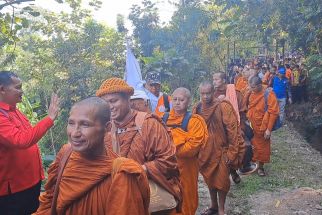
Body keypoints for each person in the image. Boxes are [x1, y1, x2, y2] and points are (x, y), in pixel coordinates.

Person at [35, 97, 150, 215]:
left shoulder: (122, 173)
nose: (74, 133)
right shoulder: (66, 154)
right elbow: (49, 201)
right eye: (71, 123)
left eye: (85, 125)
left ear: (107, 127)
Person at [96, 78, 182, 215]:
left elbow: (169, 161)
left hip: (148, 196)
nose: (110, 107)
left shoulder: (149, 124)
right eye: (106, 103)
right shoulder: (105, 129)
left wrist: (138, 169)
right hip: (117, 196)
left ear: (127, 99)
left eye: (114, 101)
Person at [0, 71, 60, 215]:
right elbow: (22, 140)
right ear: (2, 89)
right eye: (18, 87)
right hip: (14, 190)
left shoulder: (15, 111)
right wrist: (49, 118)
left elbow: (30, 136)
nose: (21, 91)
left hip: (31, 182)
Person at [193, 81, 244, 215]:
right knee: (209, 180)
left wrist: (232, 153)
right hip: (205, 152)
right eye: (202, 94)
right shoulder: (197, 108)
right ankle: (213, 206)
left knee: (222, 182)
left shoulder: (223, 107)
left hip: (222, 151)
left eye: (208, 93)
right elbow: (194, 130)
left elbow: (233, 131)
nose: (205, 97)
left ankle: (221, 209)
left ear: (213, 92)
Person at [162, 87, 208, 215]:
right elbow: (155, 140)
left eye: (181, 100)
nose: (177, 102)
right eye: (175, 99)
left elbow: (193, 147)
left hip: (186, 168)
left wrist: (170, 150)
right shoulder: (163, 119)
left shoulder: (194, 121)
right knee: (168, 196)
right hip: (166, 167)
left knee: (187, 195)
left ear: (188, 102)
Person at [213, 72, 257, 179]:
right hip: (220, 129)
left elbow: (242, 112)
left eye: (216, 79)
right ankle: (232, 173)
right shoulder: (212, 95)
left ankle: (243, 167)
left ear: (224, 80)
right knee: (224, 152)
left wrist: (240, 128)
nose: (214, 82)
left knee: (244, 147)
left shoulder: (235, 93)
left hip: (236, 126)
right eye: (213, 79)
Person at [247, 76, 279, 176]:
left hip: (263, 126)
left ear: (260, 85)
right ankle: (252, 164)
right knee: (252, 145)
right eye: (250, 87)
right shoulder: (252, 93)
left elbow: (273, 112)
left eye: (253, 87)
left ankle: (261, 167)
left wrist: (268, 130)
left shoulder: (268, 93)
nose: (251, 89)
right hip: (252, 125)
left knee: (263, 147)